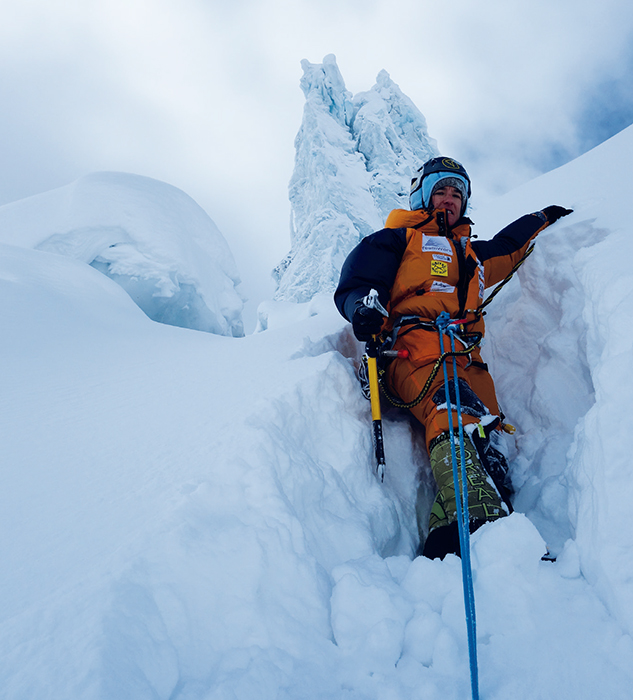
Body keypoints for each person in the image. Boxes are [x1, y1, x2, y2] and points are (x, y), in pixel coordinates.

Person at [334, 156, 572, 559]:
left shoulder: (472, 255)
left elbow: (509, 247)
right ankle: (470, 515)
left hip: (465, 360)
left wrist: (541, 217)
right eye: (440, 190)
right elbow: (358, 282)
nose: (449, 199)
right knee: (451, 403)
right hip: (412, 350)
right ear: (423, 197)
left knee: (483, 437)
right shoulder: (396, 240)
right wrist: (364, 308)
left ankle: (471, 521)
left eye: (457, 193)